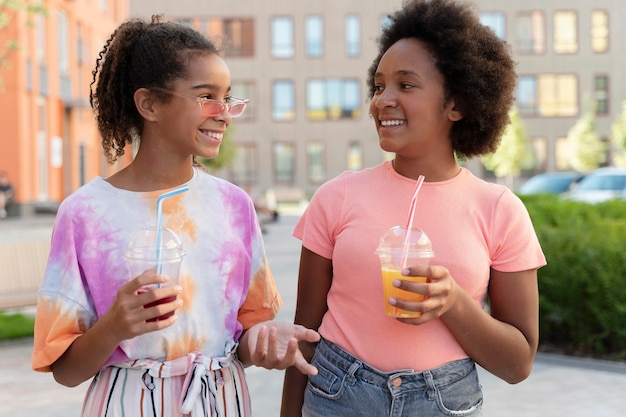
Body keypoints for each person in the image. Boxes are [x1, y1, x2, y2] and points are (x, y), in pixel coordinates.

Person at [31, 16, 319, 417]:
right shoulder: (84, 213)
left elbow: (243, 339)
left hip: (220, 402)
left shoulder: (234, 207)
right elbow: (65, 370)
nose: (224, 113)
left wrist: (266, 345)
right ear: (149, 103)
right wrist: (114, 325)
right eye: (206, 97)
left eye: (228, 98)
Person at [280, 0, 546, 416]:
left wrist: (453, 302)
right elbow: (304, 336)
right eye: (379, 85)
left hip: (444, 402)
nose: (382, 101)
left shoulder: (499, 209)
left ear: (456, 104)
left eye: (405, 85)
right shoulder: (337, 196)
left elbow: (517, 363)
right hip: (336, 397)